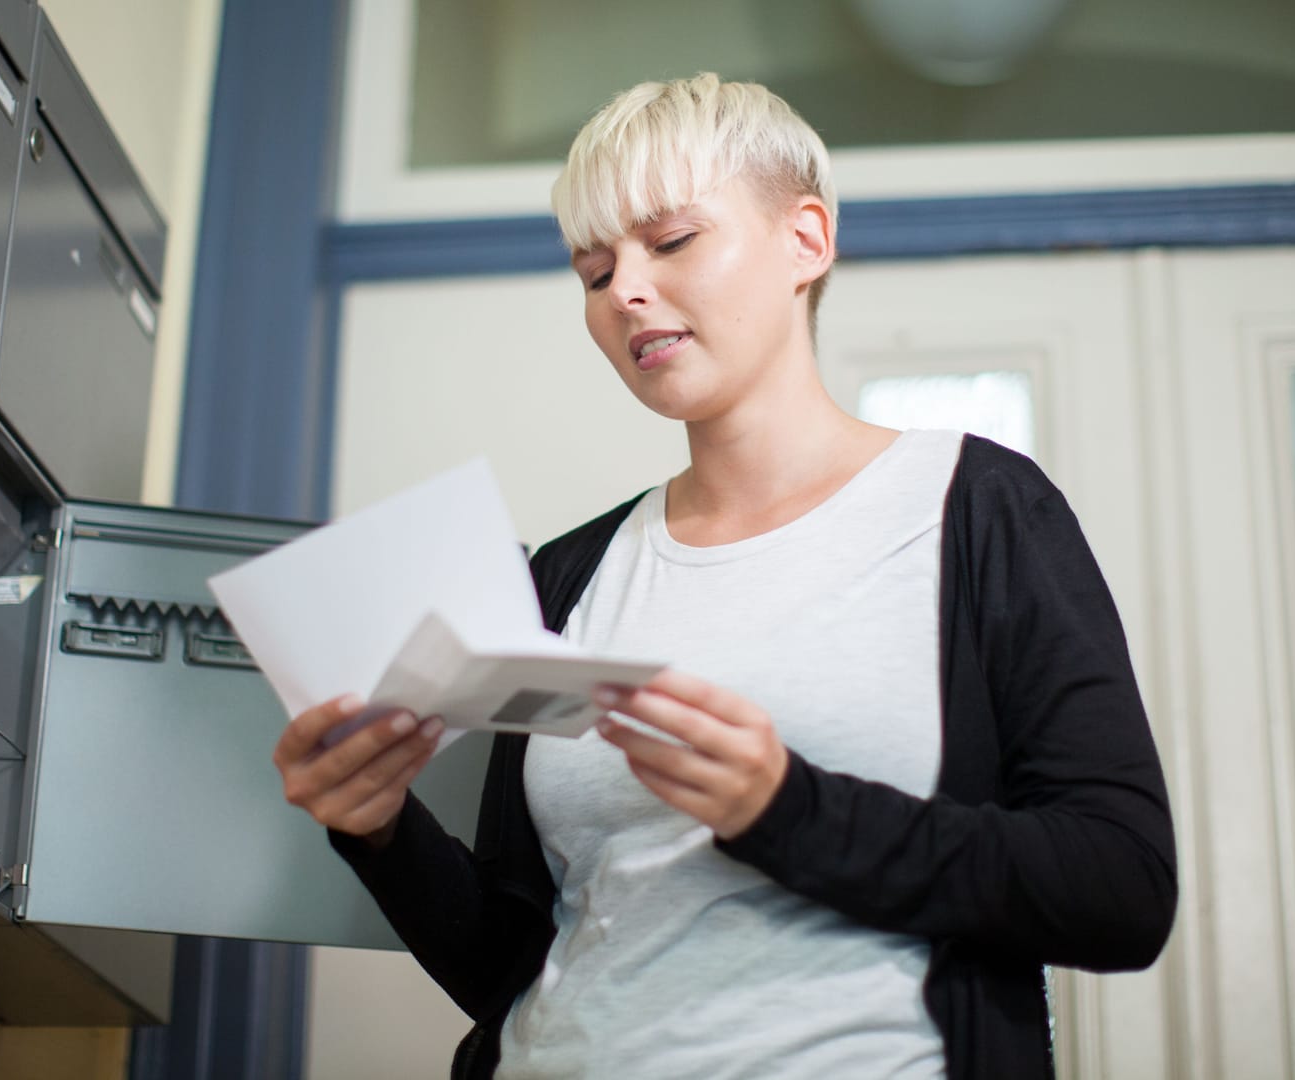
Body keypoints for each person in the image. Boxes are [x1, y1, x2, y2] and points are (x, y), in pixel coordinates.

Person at [273, 73, 1176, 1080]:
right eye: (591, 270)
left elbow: (1121, 888)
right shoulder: (568, 576)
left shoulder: (978, 510)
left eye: (670, 243)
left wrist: (784, 809)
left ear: (807, 242)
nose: (624, 291)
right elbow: (517, 966)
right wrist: (380, 831)